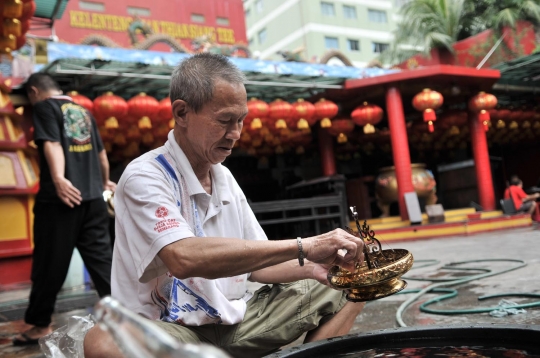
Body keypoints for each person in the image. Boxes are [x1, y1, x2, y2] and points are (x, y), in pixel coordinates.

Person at [84, 53, 365, 358]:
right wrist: (304, 246)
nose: (235, 134)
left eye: (241, 121)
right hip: (169, 332)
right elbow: (182, 257)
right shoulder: (145, 175)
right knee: (104, 341)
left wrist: (317, 268)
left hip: (237, 321)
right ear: (181, 113)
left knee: (356, 281)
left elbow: (261, 265)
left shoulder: (224, 177)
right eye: (224, 121)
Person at [13, 73, 115, 346]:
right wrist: (103, 181)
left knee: (49, 263)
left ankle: (39, 324)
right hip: (93, 199)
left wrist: (59, 178)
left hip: (62, 200)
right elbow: (101, 154)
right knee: (103, 262)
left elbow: (52, 143)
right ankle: (127, 316)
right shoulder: (83, 110)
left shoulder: (46, 107)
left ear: (34, 92)